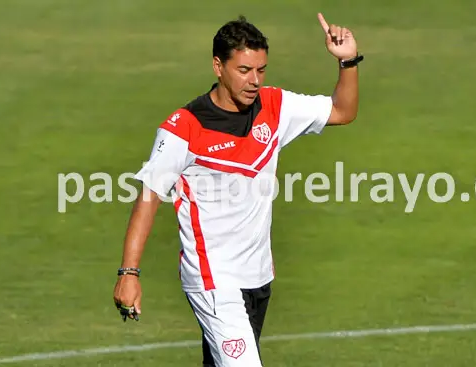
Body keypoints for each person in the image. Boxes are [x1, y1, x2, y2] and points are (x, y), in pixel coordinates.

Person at [112, 13, 362, 367]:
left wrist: (347, 60)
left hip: (258, 275)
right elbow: (149, 195)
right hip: (213, 278)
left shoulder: (275, 107)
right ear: (218, 66)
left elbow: (342, 110)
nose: (254, 80)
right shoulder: (185, 128)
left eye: (261, 70)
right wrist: (129, 273)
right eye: (244, 70)